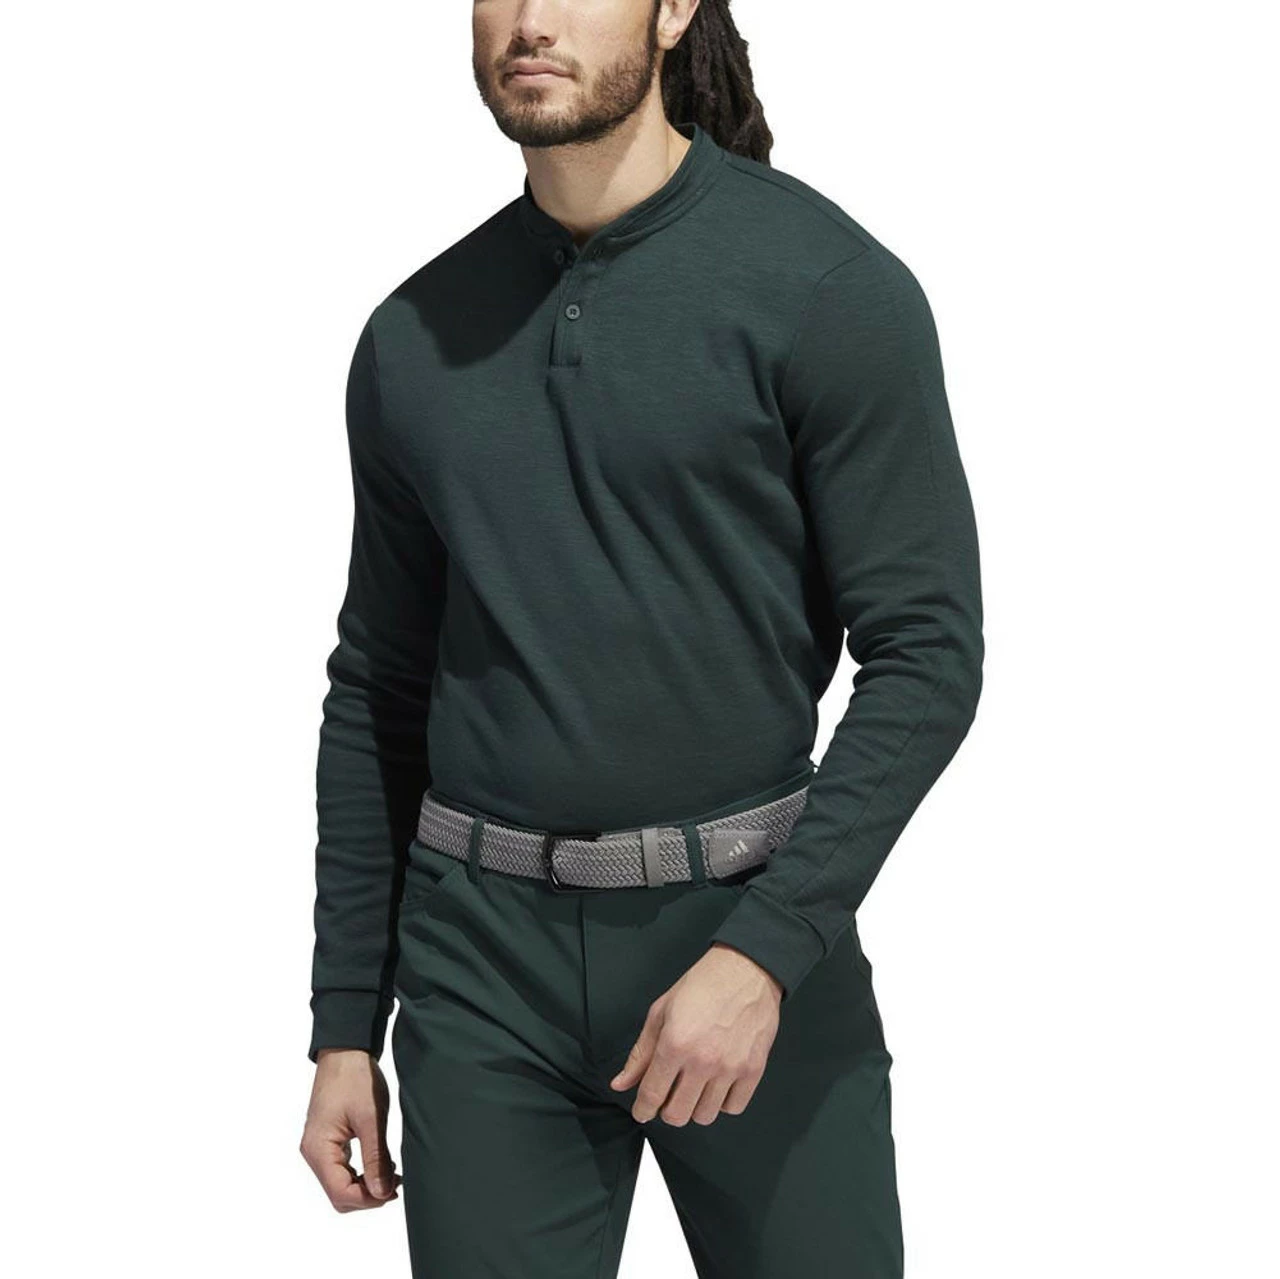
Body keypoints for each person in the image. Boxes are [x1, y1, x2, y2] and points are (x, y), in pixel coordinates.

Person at [298, 1, 984, 1275]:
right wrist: (346, 1021)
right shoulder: (413, 335)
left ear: (673, 10)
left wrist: (763, 952)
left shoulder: (827, 290)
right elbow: (378, 687)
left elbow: (926, 653)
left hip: (753, 933)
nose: (531, 20)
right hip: (478, 970)